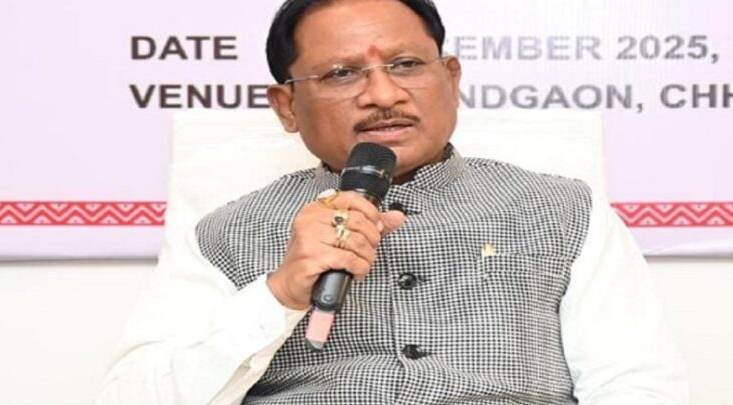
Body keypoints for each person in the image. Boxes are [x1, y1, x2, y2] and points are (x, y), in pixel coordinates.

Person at [98, 0, 688, 404]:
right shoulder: (225, 233)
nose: (383, 94)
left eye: (406, 65)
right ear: (286, 106)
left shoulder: (563, 211)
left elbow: (636, 385)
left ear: (451, 78)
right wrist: (279, 294)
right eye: (341, 74)